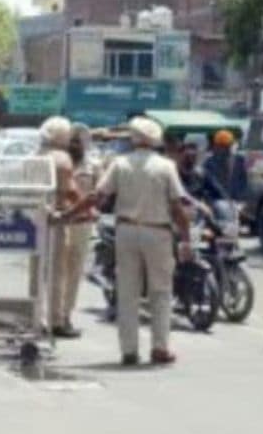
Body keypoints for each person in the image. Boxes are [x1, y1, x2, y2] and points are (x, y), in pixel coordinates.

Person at [68, 116, 192, 365]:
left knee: (127, 291)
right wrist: (186, 239)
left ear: (133, 140)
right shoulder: (166, 166)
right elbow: (178, 207)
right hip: (157, 232)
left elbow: (98, 196)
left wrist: (69, 214)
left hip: (126, 230)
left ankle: (129, 350)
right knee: (160, 291)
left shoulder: (120, 163)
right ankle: (160, 348)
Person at [40, 116, 83, 338]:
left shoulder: (36, 156)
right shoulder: (63, 159)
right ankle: (56, 321)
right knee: (58, 273)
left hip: (34, 220)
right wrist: (84, 209)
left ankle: (35, 316)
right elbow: (71, 192)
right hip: (56, 220)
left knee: (36, 272)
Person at [202, 129, 248, 204]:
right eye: (223, 146)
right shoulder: (209, 163)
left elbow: (243, 181)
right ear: (217, 146)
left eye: (228, 146)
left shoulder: (239, 160)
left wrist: (241, 199)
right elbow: (210, 183)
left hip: (236, 202)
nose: (226, 149)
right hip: (217, 201)